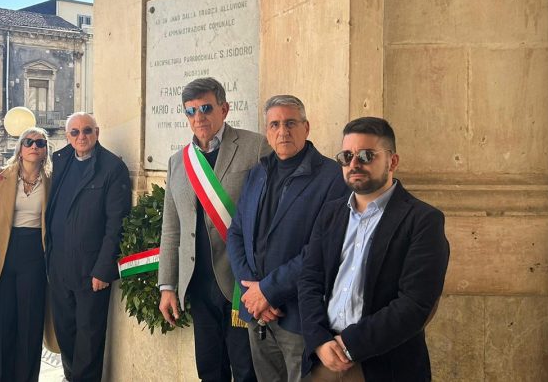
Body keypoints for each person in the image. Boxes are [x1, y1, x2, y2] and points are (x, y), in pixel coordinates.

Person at [298, 117, 450, 382]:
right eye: (347, 156)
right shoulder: (330, 213)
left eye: (366, 155)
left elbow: (415, 304)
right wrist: (320, 341)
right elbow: (309, 279)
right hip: (324, 361)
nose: (354, 164)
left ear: (392, 161)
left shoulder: (423, 220)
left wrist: (349, 344)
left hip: (384, 366)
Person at [227, 95, 349, 382]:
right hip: (259, 314)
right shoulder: (258, 173)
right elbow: (236, 234)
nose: (283, 131)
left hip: (299, 317)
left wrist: (268, 290)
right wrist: (252, 293)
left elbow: (323, 250)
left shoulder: (332, 178)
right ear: (267, 132)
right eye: (275, 124)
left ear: (306, 127)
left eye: (291, 123)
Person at [158, 77, 270, 382]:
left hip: (240, 284)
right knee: (209, 370)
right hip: (198, 283)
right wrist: (167, 285)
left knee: (246, 370)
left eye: (206, 108)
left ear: (224, 108)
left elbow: (271, 215)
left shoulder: (255, 146)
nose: (199, 117)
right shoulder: (177, 162)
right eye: (191, 111)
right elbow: (171, 228)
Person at [45, 112, 131, 382]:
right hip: (59, 267)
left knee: (89, 338)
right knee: (65, 333)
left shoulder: (112, 167)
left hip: (91, 271)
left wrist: (104, 269)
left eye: (87, 131)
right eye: (75, 132)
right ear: (67, 135)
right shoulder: (58, 162)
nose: (81, 137)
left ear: (97, 132)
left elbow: (116, 223)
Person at [0, 127, 60, 381]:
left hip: (36, 254)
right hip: (2, 255)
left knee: (30, 326)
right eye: (28, 142)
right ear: (20, 148)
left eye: (40, 143)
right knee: (2, 324)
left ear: (45, 150)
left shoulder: (53, 179)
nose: (34, 146)